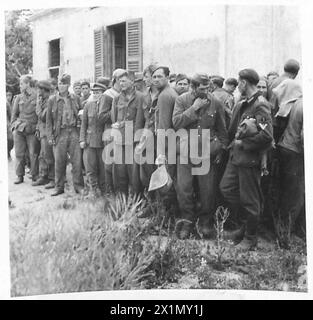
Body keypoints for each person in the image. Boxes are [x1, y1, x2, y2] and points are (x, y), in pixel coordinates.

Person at [220, 69, 273, 250]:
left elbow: (266, 136)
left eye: (240, 82)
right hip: (236, 158)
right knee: (226, 188)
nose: (238, 86)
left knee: (250, 201)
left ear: (243, 83)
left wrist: (243, 144)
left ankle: (250, 238)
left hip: (249, 159)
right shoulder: (244, 103)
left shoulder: (260, 105)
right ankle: (244, 226)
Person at [172, 73, 229, 239]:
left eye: (208, 87)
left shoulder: (216, 102)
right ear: (193, 87)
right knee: (184, 190)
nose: (206, 91)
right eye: (202, 88)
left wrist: (220, 150)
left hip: (206, 154)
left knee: (207, 192)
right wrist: (194, 108)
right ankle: (187, 223)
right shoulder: (182, 100)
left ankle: (205, 223)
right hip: (185, 153)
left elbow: (222, 131)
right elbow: (176, 123)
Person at [272, 79, 304, 248]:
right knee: (295, 195)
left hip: (286, 148)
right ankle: (285, 235)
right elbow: (305, 137)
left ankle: (285, 230)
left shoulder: (295, 104)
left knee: (288, 193)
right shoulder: (304, 104)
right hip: (296, 152)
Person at [46, 73, 84, 196]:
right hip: (60, 132)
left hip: (73, 131)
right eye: (60, 83)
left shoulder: (75, 98)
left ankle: (79, 186)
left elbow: (81, 114)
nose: (61, 86)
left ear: (68, 85)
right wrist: (50, 136)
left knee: (77, 161)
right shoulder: (52, 100)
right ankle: (59, 187)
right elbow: (48, 120)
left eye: (64, 83)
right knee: (59, 161)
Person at [110, 70, 145, 195]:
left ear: (132, 81)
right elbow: (114, 119)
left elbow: (142, 119)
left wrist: (138, 140)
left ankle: (137, 202)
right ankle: (122, 201)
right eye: (119, 81)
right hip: (120, 140)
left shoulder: (141, 97)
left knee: (134, 174)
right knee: (120, 172)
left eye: (124, 80)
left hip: (134, 140)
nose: (121, 83)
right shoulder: (117, 99)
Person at [99, 68, 126, 194]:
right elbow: (101, 116)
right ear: (115, 80)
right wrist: (116, 111)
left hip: (123, 133)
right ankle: (109, 191)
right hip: (110, 132)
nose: (122, 83)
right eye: (120, 80)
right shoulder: (108, 95)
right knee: (109, 164)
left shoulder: (125, 94)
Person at [80, 82, 107, 197]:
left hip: (103, 142)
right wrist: (82, 139)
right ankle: (92, 189)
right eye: (94, 92)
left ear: (103, 94)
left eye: (99, 93)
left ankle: (104, 190)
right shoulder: (88, 105)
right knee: (90, 167)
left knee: (103, 168)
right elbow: (84, 124)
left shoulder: (107, 105)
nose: (96, 95)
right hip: (89, 141)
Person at [11, 75, 39, 184]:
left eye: (21, 83)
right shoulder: (18, 97)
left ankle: (35, 175)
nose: (20, 86)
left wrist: (37, 128)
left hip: (31, 129)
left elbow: (38, 115)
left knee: (33, 153)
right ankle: (19, 175)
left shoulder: (37, 96)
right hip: (19, 129)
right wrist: (14, 128)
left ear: (27, 84)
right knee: (19, 153)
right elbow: (14, 115)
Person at [32, 80, 55, 188]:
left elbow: (43, 117)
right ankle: (43, 176)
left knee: (49, 156)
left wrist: (37, 107)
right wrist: (37, 129)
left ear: (43, 90)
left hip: (48, 132)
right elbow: (39, 120)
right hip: (42, 131)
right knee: (42, 155)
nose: (37, 91)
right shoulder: (42, 100)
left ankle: (53, 178)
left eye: (39, 89)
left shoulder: (50, 100)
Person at [6, 90, 14, 160]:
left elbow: (11, 115)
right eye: (7, 95)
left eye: (10, 96)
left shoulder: (7, 104)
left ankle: (8, 152)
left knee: (11, 140)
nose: (9, 97)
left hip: (7, 125)